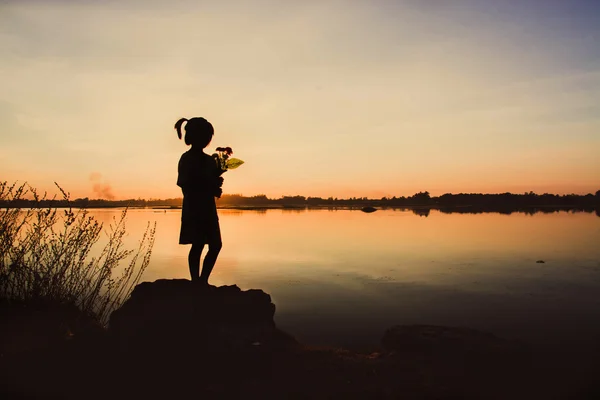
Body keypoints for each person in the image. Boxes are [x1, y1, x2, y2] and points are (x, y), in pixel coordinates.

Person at [174, 117, 223, 285]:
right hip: (194, 208)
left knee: (215, 245)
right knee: (198, 245)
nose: (208, 140)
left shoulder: (210, 160)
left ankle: (203, 280)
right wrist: (209, 185)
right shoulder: (187, 158)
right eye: (206, 135)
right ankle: (196, 281)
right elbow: (185, 184)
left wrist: (215, 186)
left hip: (208, 208)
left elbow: (210, 183)